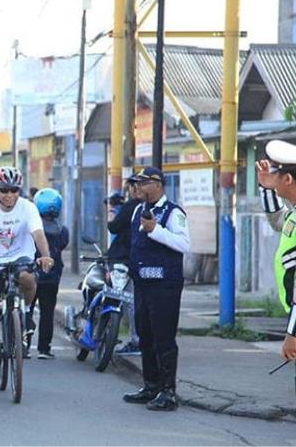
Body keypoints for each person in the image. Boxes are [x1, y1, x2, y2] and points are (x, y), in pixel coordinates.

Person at [0, 166, 54, 383]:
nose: (9, 196)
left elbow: (38, 233)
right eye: (4, 190)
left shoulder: (28, 207)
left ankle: (25, 313)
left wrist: (46, 255)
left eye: (14, 190)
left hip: (20, 258)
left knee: (27, 278)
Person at [122, 166, 190, 411]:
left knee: (164, 338)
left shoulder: (173, 212)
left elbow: (184, 244)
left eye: (143, 183)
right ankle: (151, 385)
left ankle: (168, 392)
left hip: (165, 285)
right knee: (145, 336)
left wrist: (156, 231)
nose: (138, 187)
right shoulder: (137, 211)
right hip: (142, 284)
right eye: (136, 183)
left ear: (158, 184)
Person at [256, 139, 296, 408]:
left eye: (274, 173)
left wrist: (294, 332)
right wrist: (265, 187)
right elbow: (277, 220)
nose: (271, 177)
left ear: (287, 178)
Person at [30, 188, 69, 359]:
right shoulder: (62, 230)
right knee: (47, 312)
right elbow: (62, 245)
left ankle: (23, 345)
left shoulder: (31, 228)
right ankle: (44, 349)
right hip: (52, 276)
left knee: (26, 309)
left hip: (30, 274)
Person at [107, 179, 143, 356]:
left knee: (123, 299)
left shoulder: (132, 207)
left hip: (123, 259)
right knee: (136, 300)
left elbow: (113, 227)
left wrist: (112, 213)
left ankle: (135, 340)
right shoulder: (155, 208)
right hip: (142, 260)